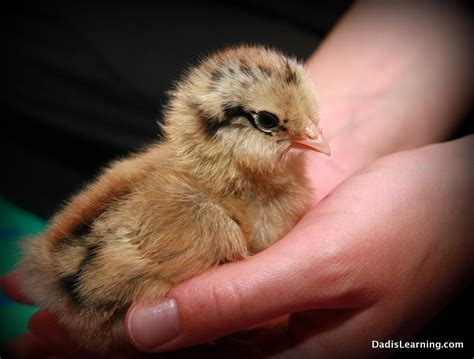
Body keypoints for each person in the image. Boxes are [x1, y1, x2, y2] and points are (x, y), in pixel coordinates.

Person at [2, 1, 473, 358]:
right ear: (211, 127)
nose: (312, 135)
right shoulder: (196, 214)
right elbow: (85, 288)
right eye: (273, 123)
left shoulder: (246, 181)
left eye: (311, 119)